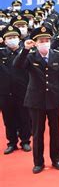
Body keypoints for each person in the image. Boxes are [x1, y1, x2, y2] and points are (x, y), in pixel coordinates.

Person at [13, 26, 59, 174]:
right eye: (41, 41)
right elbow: (17, 66)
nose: (45, 43)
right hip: (36, 100)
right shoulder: (30, 56)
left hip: (54, 99)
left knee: (55, 131)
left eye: (47, 40)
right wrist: (24, 49)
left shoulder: (58, 56)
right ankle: (38, 162)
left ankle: (56, 158)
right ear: (36, 43)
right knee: (38, 132)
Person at [0, 25, 31, 154]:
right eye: (9, 38)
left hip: (23, 91)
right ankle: (12, 142)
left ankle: (25, 141)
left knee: (24, 117)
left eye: (14, 37)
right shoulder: (1, 53)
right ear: (4, 40)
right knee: (8, 119)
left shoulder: (26, 53)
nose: (11, 40)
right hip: (5, 92)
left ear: (19, 39)